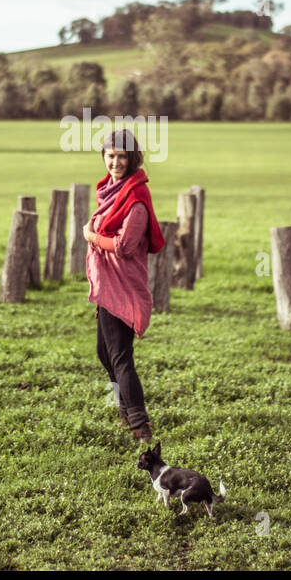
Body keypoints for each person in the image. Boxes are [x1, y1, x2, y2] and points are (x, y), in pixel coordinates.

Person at [82, 129, 166, 445]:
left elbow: (125, 246)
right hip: (108, 286)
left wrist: (91, 238)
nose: (115, 161)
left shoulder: (136, 200)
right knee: (105, 353)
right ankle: (124, 409)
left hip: (124, 288)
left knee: (120, 356)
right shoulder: (108, 190)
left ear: (132, 159)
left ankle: (140, 425)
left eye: (121, 156)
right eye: (111, 155)